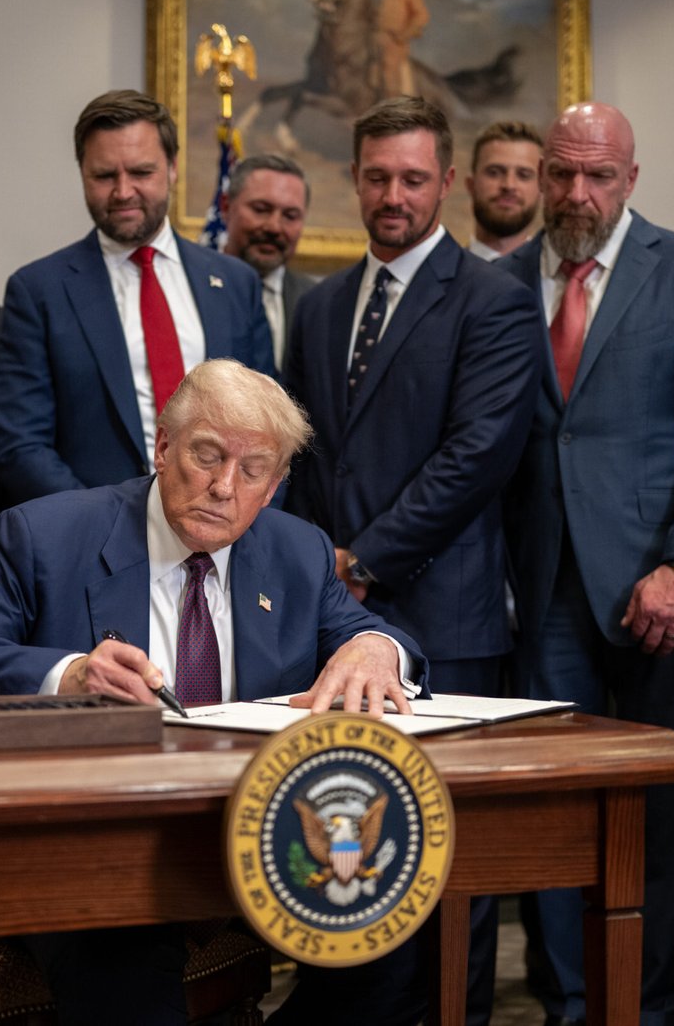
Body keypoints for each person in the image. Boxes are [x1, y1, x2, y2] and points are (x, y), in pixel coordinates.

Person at [0, 358, 429, 1026]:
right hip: (93, 845)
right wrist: (69, 675)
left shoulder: (299, 552)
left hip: (252, 837)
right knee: (123, 959)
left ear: (273, 487)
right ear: (163, 445)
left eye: (252, 470)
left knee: (391, 930)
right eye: (207, 454)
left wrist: (374, 648)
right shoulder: (49, 535)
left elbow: (379, 638)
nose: (222, 486)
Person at [282, 95, 542, 1025]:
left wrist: (364, 559)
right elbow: (303, 457)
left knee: (444, 861)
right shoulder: (317, 309)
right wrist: (321, 569)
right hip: (334, 624)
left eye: (415, 178)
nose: (395, 195)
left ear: (450, 183)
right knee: (348, 845)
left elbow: (478, 456)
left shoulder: (496, 300)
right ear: (353, 179)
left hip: (447, 617)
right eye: (379, 176)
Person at [499, 102, 674, 1026]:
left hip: (654, 593)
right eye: (559, 173)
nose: (575, 193)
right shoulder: (502, 278)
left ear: (631, 180)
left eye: (597, 175)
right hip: (538, 589)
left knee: (655, 811)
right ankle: (573, 1003)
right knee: (556, 809)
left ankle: (649, 1008)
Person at [0, 89, 273, 505]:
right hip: (93, 542)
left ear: (173, 169)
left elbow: (269, 427)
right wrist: (107, 525)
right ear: (82, 174)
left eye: (141, 172)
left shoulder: (235, 282)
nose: (123, 192)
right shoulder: (39, 291)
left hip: (226, 535)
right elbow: (21, 446)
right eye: (105, 176)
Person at [220, 153, 313, 371]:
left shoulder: (316, 302)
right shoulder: (191, 286)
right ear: (226, 207)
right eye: (261, 210)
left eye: (290, 215)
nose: (274, 227)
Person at [465, 120, 544, 261]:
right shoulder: (435, 277)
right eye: (494, 172)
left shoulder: (555, 280)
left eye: (523, 175)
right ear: (471, 184)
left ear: (541, 188)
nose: (509, 185)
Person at [375, 0, 428, 98]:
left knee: (390, 75)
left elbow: (421, 16)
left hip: (395, 41)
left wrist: (404, 35)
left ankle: (392, 109)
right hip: (375, 38)